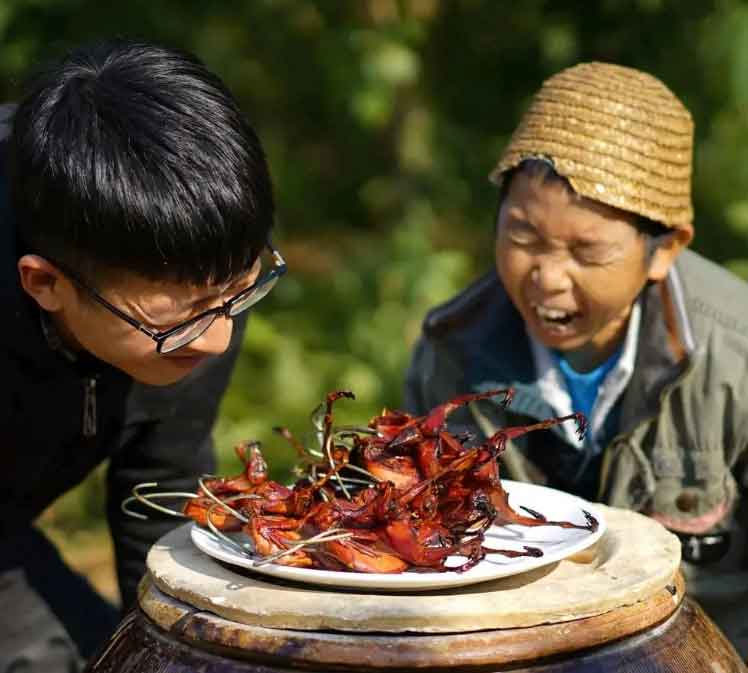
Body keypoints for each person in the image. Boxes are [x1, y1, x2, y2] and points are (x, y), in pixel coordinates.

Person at [405, 62, 748, 657]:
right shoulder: (452, 353)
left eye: (587, 251)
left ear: (664, 249)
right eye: (522, 237)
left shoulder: (735, 360)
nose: (547, 278)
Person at [0, 40, 282, 671]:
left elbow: (158, 481)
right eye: (175, 322)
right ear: (45, 283)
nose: (216, 339)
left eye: (237, 294)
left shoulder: (200, 246)